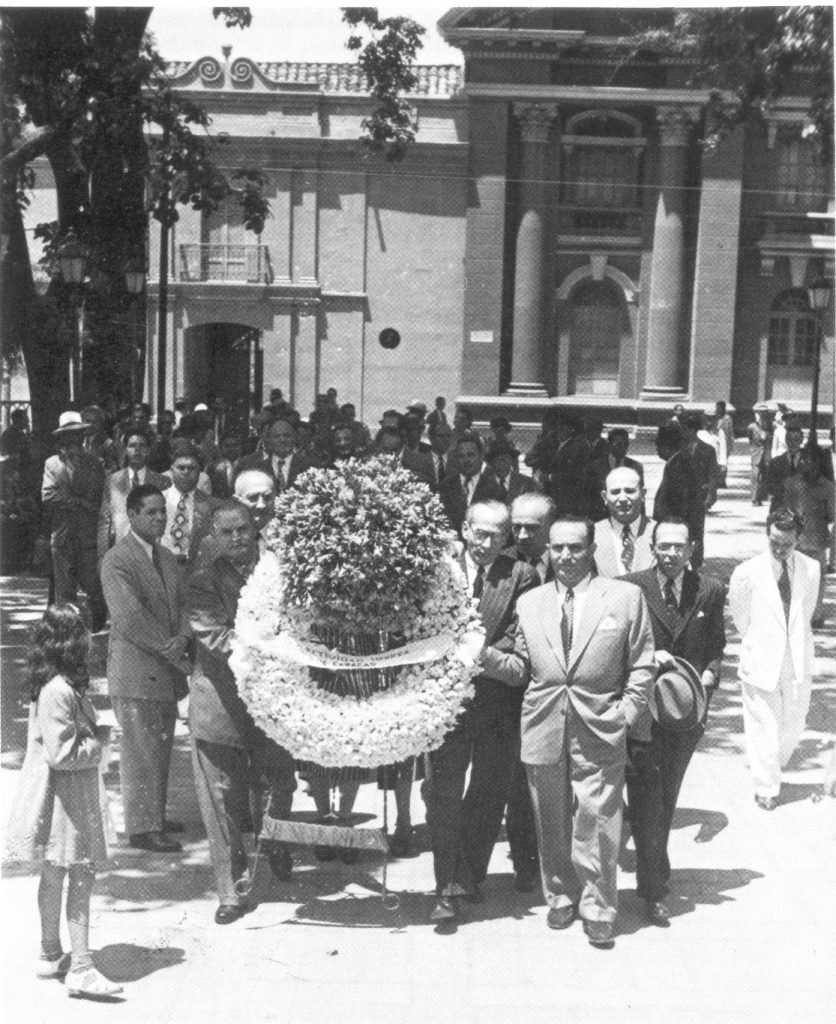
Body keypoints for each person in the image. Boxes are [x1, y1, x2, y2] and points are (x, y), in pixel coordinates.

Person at [510, 515, 655, 946]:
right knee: (549, 816)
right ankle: (559, 896)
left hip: (601, 723)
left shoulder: (626, 597)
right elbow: (521, 664)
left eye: (575, 547)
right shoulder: (530, 602)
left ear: (592, 549)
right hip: (544, 722)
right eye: (557, 548)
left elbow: (643, 663)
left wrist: (626, 713)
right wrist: (478, 654)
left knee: (597, 817)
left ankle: (598, 906)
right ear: (547, 551)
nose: (566, 556)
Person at [424, 501, 538, 923]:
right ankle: (446, 887)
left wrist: (477, 651)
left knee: (488, 795)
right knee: (443, 795)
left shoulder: (520, 576)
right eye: (479, 532)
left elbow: (516, 641)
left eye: (497, 535)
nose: (486, 543)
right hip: (445, 705)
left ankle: (469, 874)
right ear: (464, 527)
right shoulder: (437, 566)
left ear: (507, 536)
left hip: (497, 707)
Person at [4, 605, 123, 999]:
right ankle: (82, 967)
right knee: (80, 873)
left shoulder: (51, 685)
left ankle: (50, 951)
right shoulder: (60, 689)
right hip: (68, 799)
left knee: (54, 873)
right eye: (84, 636)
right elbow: (62, 753)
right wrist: (99, 742)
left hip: (58, 797)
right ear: (72, 642)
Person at [187, 502, 297, 923]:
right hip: (222, 704)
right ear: (213, 537)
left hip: (273, 703)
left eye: (244, 530)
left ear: (256, 530)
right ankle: (230, 891)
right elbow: (215, 637)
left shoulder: (277, 573)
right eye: (227, 532)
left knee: (280, 782)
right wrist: (275, 646)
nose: (237, 538)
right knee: (223, 802)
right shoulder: (202, 580)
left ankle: (276, 844)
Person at [623, 518, 726, 924]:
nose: (670, 554)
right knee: (647, 797)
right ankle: (654, 889)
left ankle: (653, 877)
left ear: (692, 547)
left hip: (686, 714)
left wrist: (709, 678)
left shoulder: (710, 590)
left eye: (678, 547)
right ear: (652, 546)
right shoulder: (631, 587)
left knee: (666, 798)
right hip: (644, 712)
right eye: (663, 546)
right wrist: (651, 658)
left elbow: (716, 645)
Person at [100, 484, 191, 852]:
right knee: (141, 749)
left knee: (161, 745)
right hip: (136, 669)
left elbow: (185, 604)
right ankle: (142, 827)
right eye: (150, 512)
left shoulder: (166, 556)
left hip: (165, 668)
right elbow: (128, 617)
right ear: (132, 515)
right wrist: (172, 649)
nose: (158, 518)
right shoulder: (117, 559)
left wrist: (183, 637)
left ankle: (153, 814)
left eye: (162, 512)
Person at [728, 508, 820, 809]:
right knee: (763, 725)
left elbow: (804, 614)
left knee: (794, 723)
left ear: (799, 539)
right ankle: (766, 786)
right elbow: (740, 618)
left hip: (797, 658)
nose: (780, 549)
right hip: (761, 657)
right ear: (767, 535)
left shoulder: (811, 569)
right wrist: (760, 643)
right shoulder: (746, 572)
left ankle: (772, 767)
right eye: (774, 542)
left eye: (787, 544)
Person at [41, 412, 107, 631]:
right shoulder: (52, 464)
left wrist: (74, 501)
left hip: (88, 537)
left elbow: (98, 497)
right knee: (64, 592)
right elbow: (48, 496)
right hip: (63, 537)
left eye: (77, 436)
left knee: (94, 587)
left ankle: (96, 628)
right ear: (60, 440)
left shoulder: (95, 463)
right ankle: (66, 635)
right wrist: (77, 502)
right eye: (67, 437)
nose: (73, 443)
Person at [97, 426, 168, 562]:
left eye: (142, 446)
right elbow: (104, 521)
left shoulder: (161, 482)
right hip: (119, 549)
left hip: (151, 552)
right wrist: (102, 556)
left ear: (148, 450)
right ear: (125, 450)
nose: (137, 450)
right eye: (132, 446)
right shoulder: (112, 480)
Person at [782, 446, 833, 628]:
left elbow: (832, 515)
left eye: (813, 460)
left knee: (817, 578)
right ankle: (794, 612)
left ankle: (816, 613)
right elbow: (785, 510)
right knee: (794, 577)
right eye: (804, 459)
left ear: (819, 463)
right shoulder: (791, 484)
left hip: (818, 540)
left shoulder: (827, 488)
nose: (808, 464)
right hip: (796, 541)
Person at [160, 439, 215, 568]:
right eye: (181, 468)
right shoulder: (160, 499)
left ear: (199, 472)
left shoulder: (209, 504)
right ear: (172, 470)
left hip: (193, 570)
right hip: (162, 566)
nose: (186, 472)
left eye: (191, 468)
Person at [438, 431, 505, 535]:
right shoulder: (445, 487)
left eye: (471, 455)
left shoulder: (496, 490)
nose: (466, 460)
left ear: (481, 456)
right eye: (461, 456)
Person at [593, 466, 653, 577]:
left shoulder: (659, 532)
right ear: (605, 497)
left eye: (629, 491)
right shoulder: (592, 534)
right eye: (615, 492)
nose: (622, 498)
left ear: (643, 494)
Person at [583, 427, 645, 522]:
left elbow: (640, 497)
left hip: (627, 517)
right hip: (601, 519)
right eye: (619, 444)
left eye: (626, 444)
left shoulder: (636, 467)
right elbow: (588, 496)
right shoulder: (595, 467)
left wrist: (642, 519)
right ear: (610, 444)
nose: (623, 448)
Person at [235, 417, 310, 492]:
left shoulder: (310, 466)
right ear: (268, 439)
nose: (282, 440)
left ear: (295, 437)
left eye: (287, 436)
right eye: (277, 436)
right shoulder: (255, 467)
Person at [233, 468, 276, 555]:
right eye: (253, 498)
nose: (261, 505)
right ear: (236, 501)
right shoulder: (221, 539)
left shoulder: (288, 536)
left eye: (267, 497)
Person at [767, 420, 805, 509]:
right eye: (790, 439)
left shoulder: (810, 462)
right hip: (781, 508)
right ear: (786, 440)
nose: (793, 443)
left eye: (796, 439)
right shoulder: (775, 463)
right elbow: (769, 487)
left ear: (801, 440)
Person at [485, 440, 535, 505]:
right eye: (497, 460)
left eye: (505, 459)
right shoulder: (483, 483)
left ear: (511, 460)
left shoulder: (526, 483)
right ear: (491, 462)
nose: (501, 464)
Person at [206, 433, 242, 499]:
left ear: (240, 447)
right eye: (227, 446)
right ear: (221, 448)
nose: (231, 449)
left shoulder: (246, 465)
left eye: (234, 445)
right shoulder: (212, 467)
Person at [747, 408, 771, 506]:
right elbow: (750, 439)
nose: (761, 416)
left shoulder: (770, 427)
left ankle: (760, 497)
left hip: (766, 454)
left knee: (764, 476)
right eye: (759, 414)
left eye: (763, 414)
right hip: (756, 454)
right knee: (755, 475)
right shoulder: (752, 427)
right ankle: (754, 498)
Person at [715, 401, 734, 488]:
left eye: (719, 408)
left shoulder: (727, 419)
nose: (718, 410)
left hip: (725, 444)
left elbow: (728, 433)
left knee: (723, 462)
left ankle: (722, 481)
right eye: (717, 408)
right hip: (716, 442)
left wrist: (729, 446)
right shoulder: (715, 417)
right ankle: (717, 480)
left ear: (723, 408)